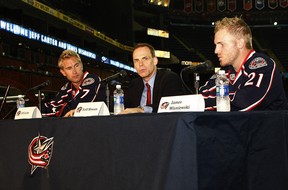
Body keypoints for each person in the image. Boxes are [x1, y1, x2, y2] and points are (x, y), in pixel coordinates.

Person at [199, 16, 288, 111]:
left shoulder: (261, 64)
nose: (216, 51)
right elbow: (201, 96)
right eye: (216, 45)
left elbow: (244, 102)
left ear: (240, 43)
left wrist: (219, 99)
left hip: (269, 125)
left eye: (221, 44)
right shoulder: (225, 71)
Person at [119, 43, 185, 114]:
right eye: (136, 60)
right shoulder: (134, 85)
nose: (140, 64)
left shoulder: (169, 78)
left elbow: (170, 105)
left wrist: (142, 109)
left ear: (155, 61)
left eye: (145, 59)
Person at [41, 49, 106, 117]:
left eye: (76, 65)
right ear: (63, 72)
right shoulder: (66, 87)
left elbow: (80, 105)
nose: (74, 71)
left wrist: (63, 108)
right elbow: (50, 107)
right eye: (69, 68)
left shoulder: (92, 80)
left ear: (82, 66)